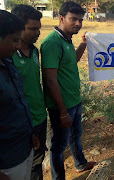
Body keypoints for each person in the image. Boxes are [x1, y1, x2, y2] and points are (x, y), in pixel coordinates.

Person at [40, 2, 95, 179]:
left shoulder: (66, 39)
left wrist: (83, 44)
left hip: (74, 100)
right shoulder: (52, 43)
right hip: (62, 106)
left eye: (80, 20)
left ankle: (79, 163)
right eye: (73, 19)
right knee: (58, 146)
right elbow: (50, 79)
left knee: (76, 135)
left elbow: (73, 61)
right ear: (61, 18)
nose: (78, 23)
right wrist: (62, 112)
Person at [0, 10, 40, 180]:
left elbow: (18, 102)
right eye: (14, 40)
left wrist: (29, 132)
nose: (17, 46)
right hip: (6, 163)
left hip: (23, 148)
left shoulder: (7, 62)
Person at [11, 5, 48, 180]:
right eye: (32, 29)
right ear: (18, 28)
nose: (38, 33)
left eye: (39, 28)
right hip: (22, 123)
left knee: (37, 162)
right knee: (25, 166)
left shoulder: (34, 51)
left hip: (40, 117)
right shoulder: (8, 56)